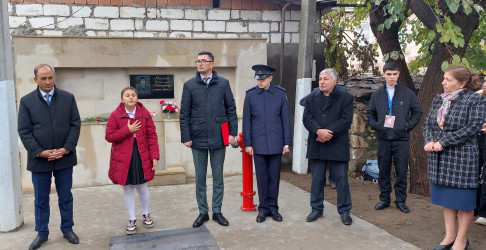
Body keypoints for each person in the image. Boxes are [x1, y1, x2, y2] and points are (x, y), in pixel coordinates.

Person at [18, 64, 81, 250]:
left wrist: (66, 149)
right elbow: (24, 130)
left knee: (65, 196)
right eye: (43, 78)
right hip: (40, 159)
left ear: (54, 78)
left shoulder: (68, 98)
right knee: (41, 199)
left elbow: (75, 124)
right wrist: (39, 151)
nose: (48, 82)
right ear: (35, 80)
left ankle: (67, 229)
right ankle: (42, 233)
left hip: (64, 157)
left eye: (50, 78)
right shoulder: (27, 101)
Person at [423, 65, 486, 250]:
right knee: (447, 199)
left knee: (463, 202)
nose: (443, 82)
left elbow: (472, 128)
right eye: (444, 78)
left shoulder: (475, 100)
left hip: (462, 159)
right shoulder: (438, 100)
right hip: (440, 157)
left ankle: (461, 240)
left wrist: (443, 142)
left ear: (462, 83)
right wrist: (429, 141)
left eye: (448, 80)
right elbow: (428, 123)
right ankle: (450, 237)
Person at [180, 51, 238, 228]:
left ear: (212, 64)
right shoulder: (189, 85)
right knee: (200, 178)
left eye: (204, 61)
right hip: (197, 138)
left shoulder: (223, 84)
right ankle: (203, 212)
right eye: (198, 61)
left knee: (218, 178)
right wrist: (186, 136)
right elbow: (184, 113)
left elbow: (231, 110)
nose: (200, 64)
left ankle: (217, 211)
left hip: (218, 137)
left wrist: (232, 133)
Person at [367, 61, 422, 213]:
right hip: (383, 137)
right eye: (389, 74)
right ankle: (384, 199)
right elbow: (370, 113)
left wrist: (406, 126)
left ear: (399, 74)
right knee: (383, 170)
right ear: (383, 74)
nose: (392, 77)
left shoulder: (408, 93)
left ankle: (400, 200)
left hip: (401, 138)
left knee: (402, 170)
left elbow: (417, 112)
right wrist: (377, 125)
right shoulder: (377, 94)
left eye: (395, 74)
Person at [302, 68, 354, 225]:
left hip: (337, 143)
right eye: (320, 79)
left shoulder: (345, 97)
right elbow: (307, 119)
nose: (322, 82)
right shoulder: (311, 97)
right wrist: (318, 130)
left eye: (325, 79)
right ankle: (316, 209)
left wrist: (327, 133)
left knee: (341, 179)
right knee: (317, 178)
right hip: (317, 143)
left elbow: (346, 120)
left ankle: (344, 210)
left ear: (334, 81)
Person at [105, 87, 159, 235]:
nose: (131, 97)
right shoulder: (116, 115)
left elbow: (152, 136)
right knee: (128, 187)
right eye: (127, 95)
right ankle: (132, 218)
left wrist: (154, 156)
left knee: (142, 186)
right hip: (123, 156)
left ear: (137, 98)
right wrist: (128, 130)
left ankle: (146, 214)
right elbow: (109, 136)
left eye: (133, 95)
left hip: (141, 154)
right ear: (122, 99)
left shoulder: (144, 114)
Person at [243, 64, 292, 223]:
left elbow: (286, 120)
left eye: (263, 79)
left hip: (276, 143)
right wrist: (248, 143)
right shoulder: (250, 95)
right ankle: (263, 209)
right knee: (262, 178)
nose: (260, 81)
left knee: (274, 177)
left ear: (270, 78)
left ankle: (273, 208)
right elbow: (247, 122)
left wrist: (287, 142)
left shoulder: (280, 94)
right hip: (258, 144)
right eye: (258, 79)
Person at [475, 81, 486, 226]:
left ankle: (484, 213)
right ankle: (474, 208)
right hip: (477, 139)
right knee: (473, 174)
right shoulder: (478, 98)